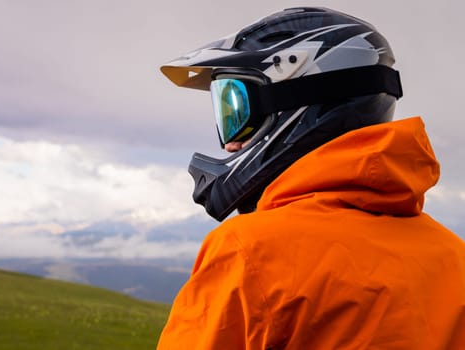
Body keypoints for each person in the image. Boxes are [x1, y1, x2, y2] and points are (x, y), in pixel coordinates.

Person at [157, 7, 465, 349]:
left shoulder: (251, 252)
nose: (231, 143)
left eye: (237, 111)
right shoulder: (454, 257)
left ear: (300, 104)